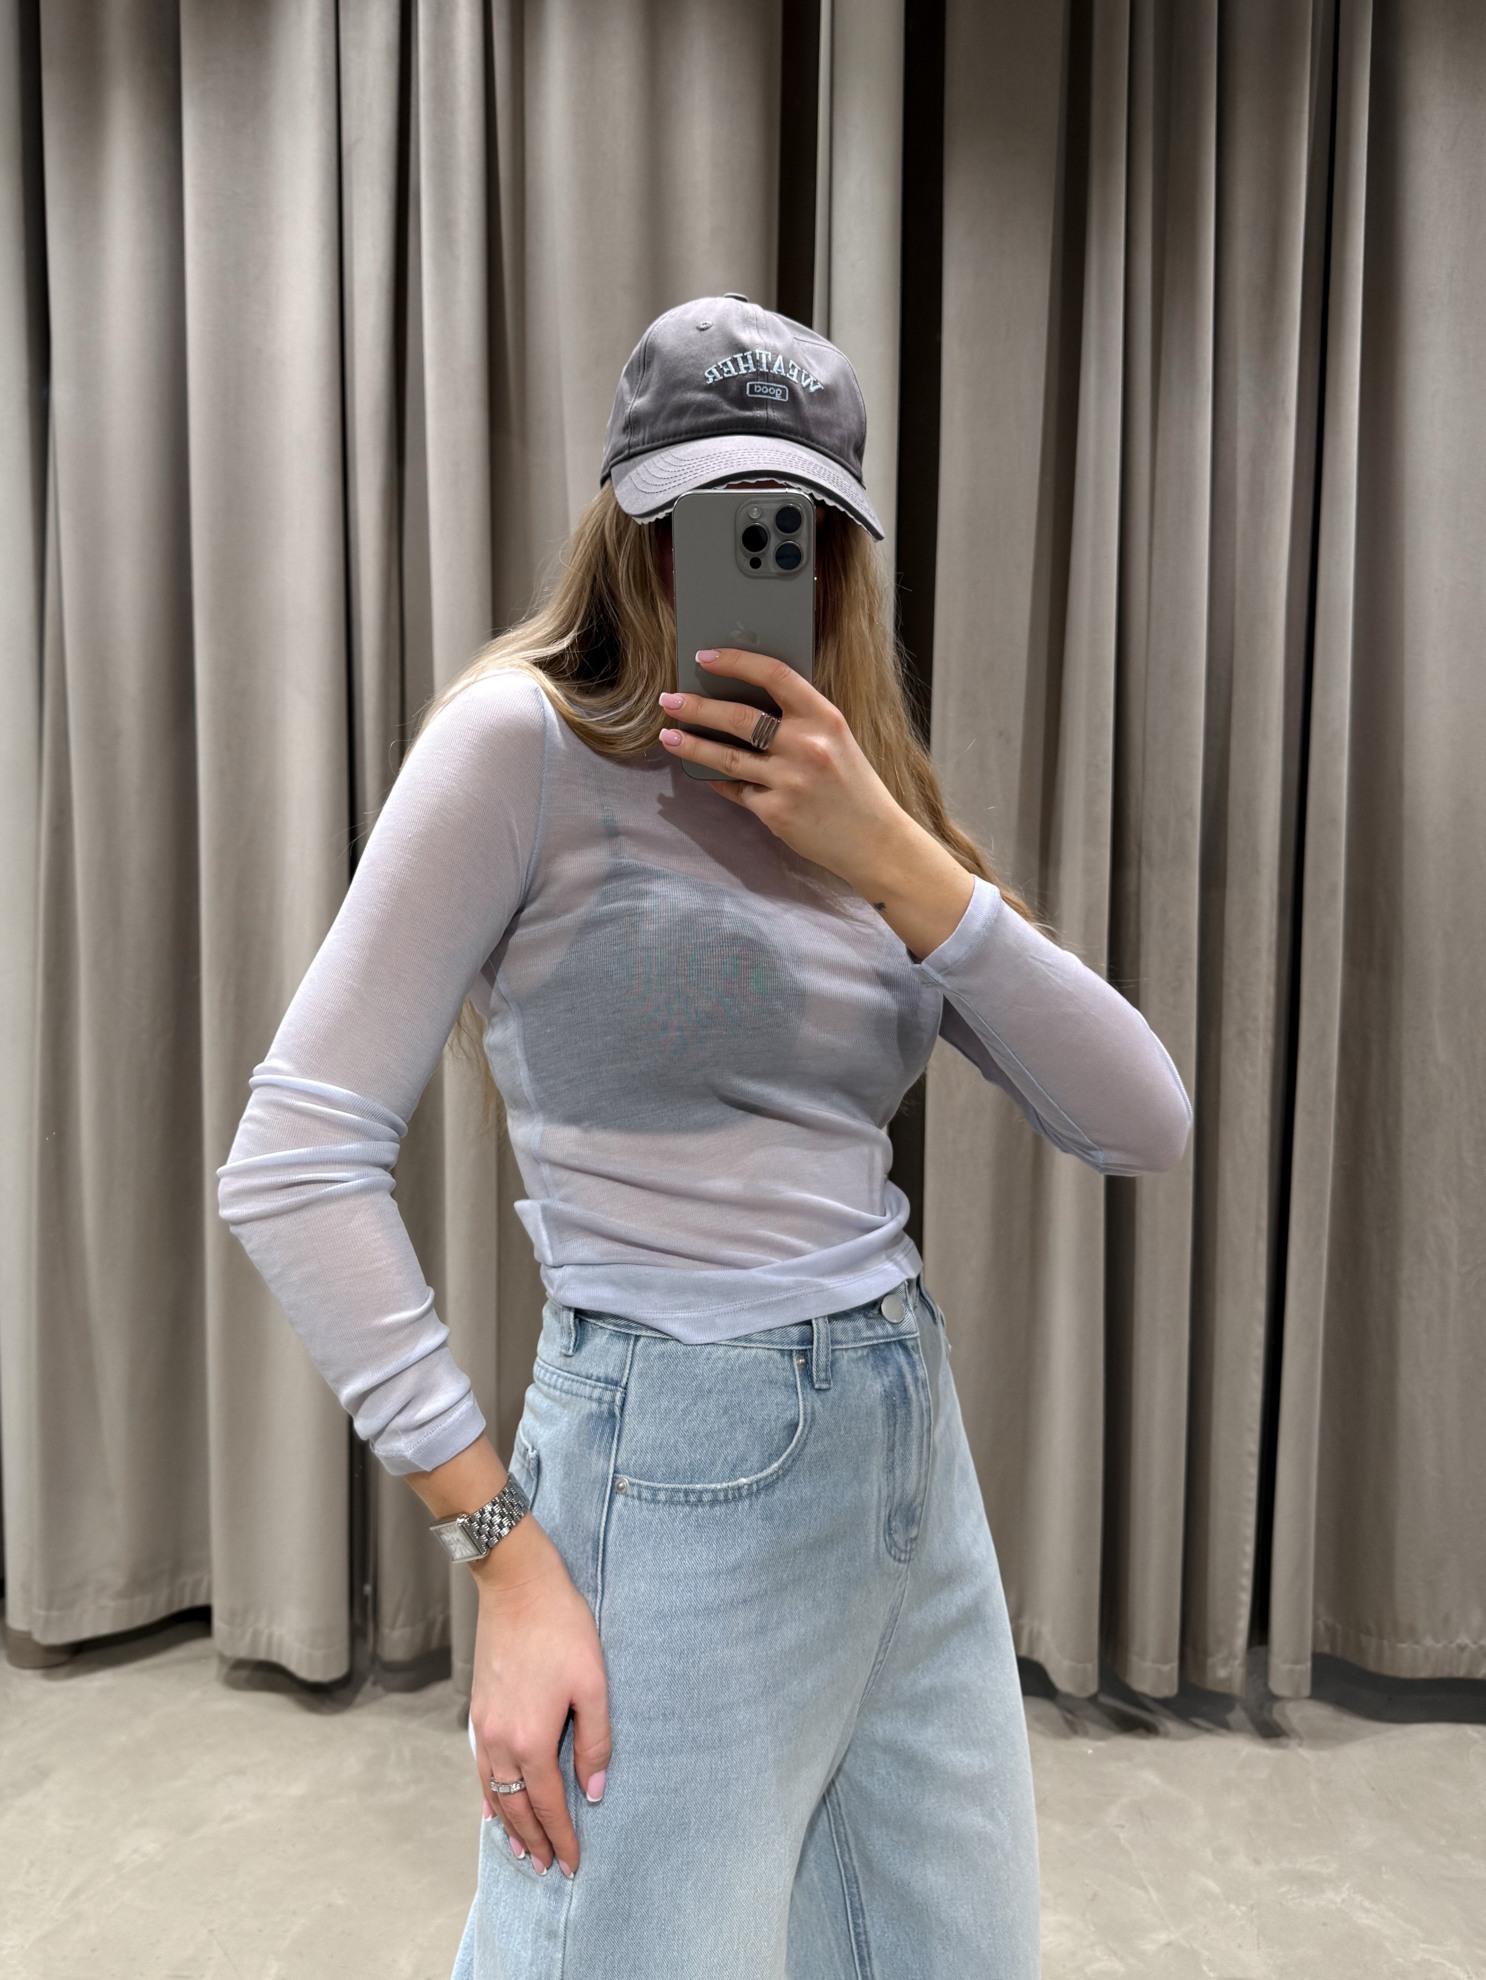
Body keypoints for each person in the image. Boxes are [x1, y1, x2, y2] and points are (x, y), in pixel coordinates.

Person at [217, 293, 1192, 1979]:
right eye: (706, 514)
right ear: (631, 520)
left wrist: (891, 853)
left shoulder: (855, 799)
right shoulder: (521, 745)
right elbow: (293, 1162)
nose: (746, 558)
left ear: (839, 549)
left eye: (789, 524)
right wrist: (502, 1556)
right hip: (671, 1455)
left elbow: (1140, 1119)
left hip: (902, 1449)